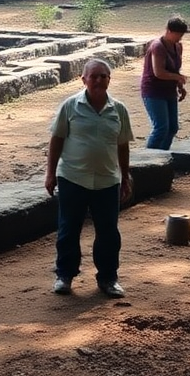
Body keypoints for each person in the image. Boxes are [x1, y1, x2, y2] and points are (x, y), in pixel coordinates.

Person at [45, 58, 133, 297]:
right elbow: (57, 140)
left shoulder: (119, 110)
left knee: (108, 233)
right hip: (73, 177)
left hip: (107, 180)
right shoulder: (70, 106)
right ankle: (65, 275)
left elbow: (122, 145)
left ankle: (108, 278)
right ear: (83, 79)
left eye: (103, 76)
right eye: (93, 76)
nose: (98, 80)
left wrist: (125, 177)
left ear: (109, 80)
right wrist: (50, 173)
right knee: (68, 230)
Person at [142, 15, 190, 150]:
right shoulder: (158, 46)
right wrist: (178, 78)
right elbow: (159, 72)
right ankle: (147, 160)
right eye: (178, 34)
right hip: (154, 90)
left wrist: (180, 85)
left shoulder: (178, 47)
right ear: (169, 31)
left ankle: (162, 156)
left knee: (172, 128)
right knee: (161, 127)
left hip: (169, 90)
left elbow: (176, 69)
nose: (180, 37)